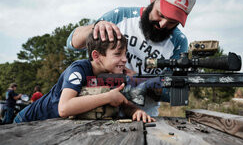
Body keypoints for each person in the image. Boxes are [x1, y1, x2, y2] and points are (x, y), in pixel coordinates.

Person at [66, 0, 197, 116]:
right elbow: (72, 43)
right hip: (99, 112)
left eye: (172, 22)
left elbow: (172, 93)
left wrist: (141, 82)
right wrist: (95, 27)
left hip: (143, 117)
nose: (163, 24)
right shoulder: (120, 16)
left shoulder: (179, 42)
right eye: (161, 14)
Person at [13, 30, 155, 123]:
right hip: (28, 120)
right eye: (118, 54)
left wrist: (136, 111)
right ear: (96, 56)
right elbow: (64, 108)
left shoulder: (113, 75)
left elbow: (121, 101)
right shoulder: (79, 69)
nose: (124, 60)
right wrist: (108, 97)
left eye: (125, 54)